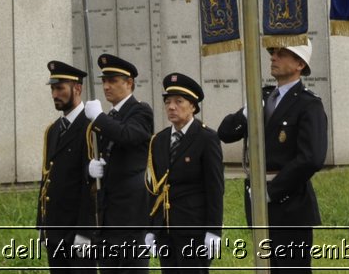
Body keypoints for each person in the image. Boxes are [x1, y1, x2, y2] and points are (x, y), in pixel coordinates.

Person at [217, 43, 327, 272]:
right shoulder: (264, 96)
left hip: (290, 206)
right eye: (272, 53)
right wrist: (246, 113)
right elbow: (225, 133)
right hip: (258, 202)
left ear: (300, 64)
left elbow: (311, 158)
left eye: (281, 54)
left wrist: (271, 191)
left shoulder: (308, 104)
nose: (273, 57)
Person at [83, 52, 155, 272]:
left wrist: (99, 118)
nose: (106, 87)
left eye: (113, 81)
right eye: (104, 81)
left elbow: (128, 136)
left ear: (129, 83)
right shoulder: (109, 118)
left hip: (132, 215)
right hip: (108, 214)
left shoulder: (140, 111)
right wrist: (91, 170)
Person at [145, 73, 223, 273]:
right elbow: (155, 188)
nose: (171, 107)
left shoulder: (206, 138)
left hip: (194, 229)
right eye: (168, 102)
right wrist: (152, 228)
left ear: (193, 106)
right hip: (166, 229)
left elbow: (215, 188)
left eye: (179, 102)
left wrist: (214, 231)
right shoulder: (159, 140)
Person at [40, 60, 99, 272]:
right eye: (53, 89)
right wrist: (43, 225)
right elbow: (47, 179)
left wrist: (85, 231)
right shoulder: (53, 130)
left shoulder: (91, 127)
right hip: (55, 229)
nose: (55, 94)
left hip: (78, 230)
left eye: (60, 88)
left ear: (77, 88)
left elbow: (92, 187)